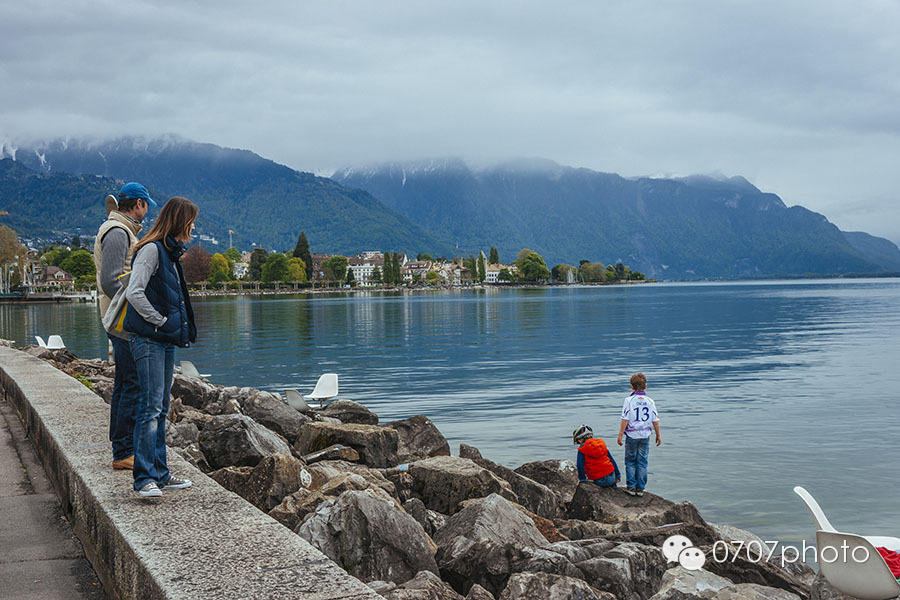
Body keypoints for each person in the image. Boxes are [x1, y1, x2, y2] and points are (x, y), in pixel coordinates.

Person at [124, 196, 198, 497]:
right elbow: (134, 292)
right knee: (150, 405)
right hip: (149, 338)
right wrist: (160, 321)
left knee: (162, 406)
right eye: (191, 220)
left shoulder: (169, 253)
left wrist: (168, 327)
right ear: (180, 220)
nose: (193, 227)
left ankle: (161, 474)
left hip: (164, 340)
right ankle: (144, 479)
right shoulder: (152, 251)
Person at [93, 182, 157, 470]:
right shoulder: (119, 232)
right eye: (146, 206)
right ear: (139, 204)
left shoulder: (119, 229)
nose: (147, 212)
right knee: (130, 384)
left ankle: (122, 448)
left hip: (120, 319)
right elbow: (110, 280)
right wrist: (140, 297)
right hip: (123, 320)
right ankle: (123, 451)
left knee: (124, 383)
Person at [617, 372, 661, 497]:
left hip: (632, 435)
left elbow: (625, 419)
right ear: (645, 386)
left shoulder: (629, 400)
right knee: (642, 461)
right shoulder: (650, 401)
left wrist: (620, 435)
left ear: (631, 386)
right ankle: (641, 488)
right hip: (645, 435)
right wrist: (658, 435)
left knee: (630, 461)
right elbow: (655, 421)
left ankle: (631, 487)